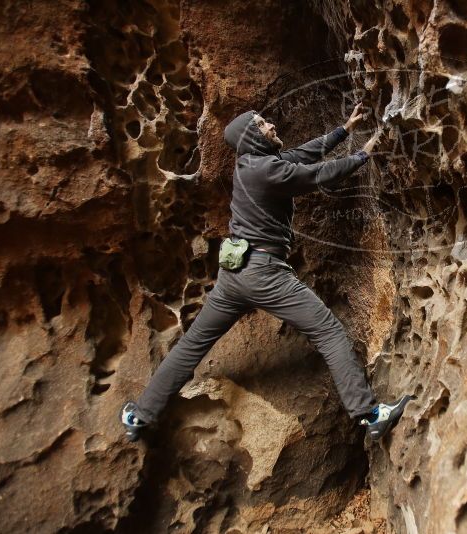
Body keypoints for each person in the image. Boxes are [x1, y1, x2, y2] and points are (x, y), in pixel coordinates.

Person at [120, 103, 413, 442]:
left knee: (191, 345)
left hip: (233, 276)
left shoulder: (252, 165)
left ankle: (140, 416)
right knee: (329, 331)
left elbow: (301, 155)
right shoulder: (265, 171)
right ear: (251, 136)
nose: (270, 125)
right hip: (264, 273)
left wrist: (343, 130)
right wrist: (362, 155)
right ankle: (369, 415)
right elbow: (316, 175)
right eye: (262, 124)